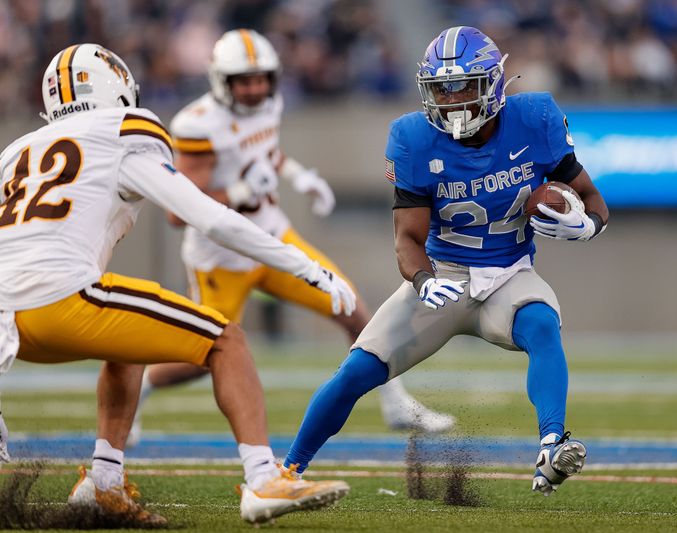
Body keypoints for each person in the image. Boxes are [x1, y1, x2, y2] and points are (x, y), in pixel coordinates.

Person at [0, 43, 354, 525]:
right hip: (61, 300)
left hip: (8, 323)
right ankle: (264, 478)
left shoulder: (16, 151)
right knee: (226, 339)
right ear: (118, 85)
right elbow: (210, 219)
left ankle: (102, 482)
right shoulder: (121, 130)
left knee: (127, 340)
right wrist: (302, 263)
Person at [282, 26, 609, 496]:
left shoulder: (535, 117)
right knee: (356, 372)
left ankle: (553, 444)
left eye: (464, 86)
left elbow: (593, 199)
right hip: (443, 279)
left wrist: (587, 226)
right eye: (441, 89)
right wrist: (423, 279)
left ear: (494, 85)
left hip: (509, 276)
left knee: (541, 323)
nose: (452, 101)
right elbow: (407, 239)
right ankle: (286, 471)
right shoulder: (413, 138)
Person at [128, 28, 455, 445]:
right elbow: (178, 212)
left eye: (262, 79)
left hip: (273, 238)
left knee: (351, 307)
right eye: (244, 81)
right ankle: (141, 387)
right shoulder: (199, 125)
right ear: (221, 81)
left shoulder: (269, 104)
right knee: (205, 356)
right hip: (222, 257)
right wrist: (240, 193)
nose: (255, 89)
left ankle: (395, 402)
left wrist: (298, 175)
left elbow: (264, 150)